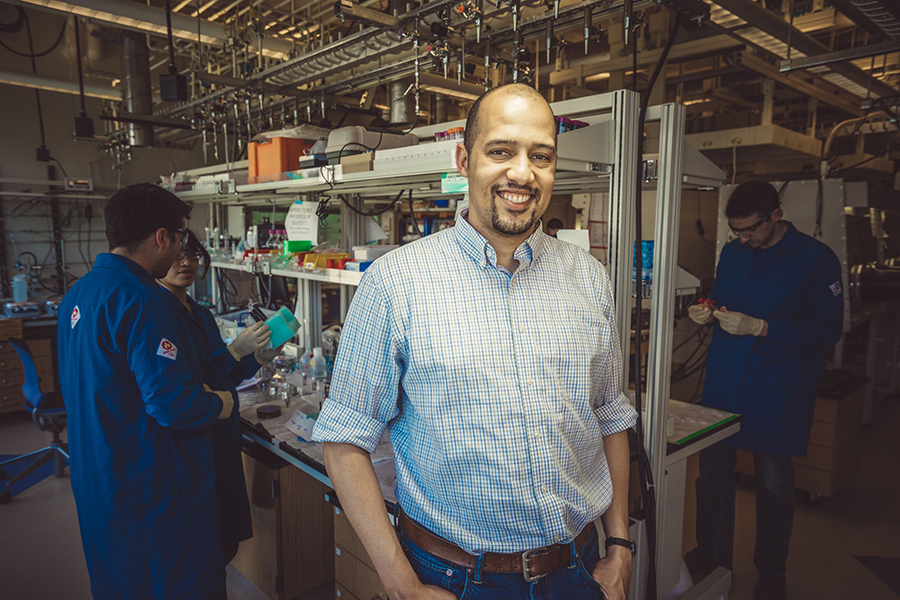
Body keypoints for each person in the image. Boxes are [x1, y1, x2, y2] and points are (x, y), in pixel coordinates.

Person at [313, 83, 637, 600]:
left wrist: (620, 547)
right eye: (501, 151)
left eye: (542, 156)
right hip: (453, 578)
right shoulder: (397, 283)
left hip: (579, 567)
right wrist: (401, 585)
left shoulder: (588, 277)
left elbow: (608, 415)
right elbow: (345, 441)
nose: (522, 173)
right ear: (465, 159)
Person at [57, 183, 236, 599]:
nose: (180, 254)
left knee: (121, 583)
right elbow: (175, 405)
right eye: (179, 240)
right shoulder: (144, 301)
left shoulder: (78, 295)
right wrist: (221, 403)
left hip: (100, 479)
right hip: (151, 491)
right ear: (162, 236)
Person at [686, 180, 843, 600]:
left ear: (775, 216)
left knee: (773, 483)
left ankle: (772, 568)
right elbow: (721, 299)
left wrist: (763, 326)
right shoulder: (733, 252)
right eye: (736, 231)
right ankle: (711, 552)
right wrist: (706, 309)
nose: (743, 238)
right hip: (725, 381)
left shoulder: (816, 259)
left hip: (776, 387)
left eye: (751, 230)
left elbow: (828, 328)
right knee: (711, 476)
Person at [156, 230, 282, 577]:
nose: (186, 263)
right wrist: (232, 351)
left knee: (225, 535)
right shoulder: (160, 315)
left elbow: (227, 374)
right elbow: (187, 379)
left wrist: (258, 356)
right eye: (179, 255)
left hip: (221, 434)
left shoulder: (200, 313)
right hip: (195, 437)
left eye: (193, 256)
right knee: (202, 543)